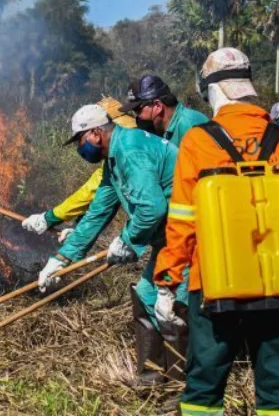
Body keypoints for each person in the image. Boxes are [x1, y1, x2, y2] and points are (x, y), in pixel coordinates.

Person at [154, 47, 279, 416]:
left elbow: (183, 221)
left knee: (203, 387)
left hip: (218, 285)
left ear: (212, 91)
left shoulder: (198, 141)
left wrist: (167, 282)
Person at [37, 103, 181, 386]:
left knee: (174, 306)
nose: (80, 149)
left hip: (189, 237)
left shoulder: (130, 150)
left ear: (94, 134)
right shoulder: (113, 159)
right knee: (147, 296)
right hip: (169, 237)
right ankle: (153, 379)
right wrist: (61, 260)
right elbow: (97, 212)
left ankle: (184, 386)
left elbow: (152, 208)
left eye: (80, 141)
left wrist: (126, 241)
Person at [22, 77, 207, 236]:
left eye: (138, 110)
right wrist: (77, 226)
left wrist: (127, 240)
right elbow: (101, 190)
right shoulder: (142, 141)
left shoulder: (188, 126)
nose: (137, 117)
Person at [20, 98, 136, 238]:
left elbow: (94, 190)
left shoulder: (130, 153)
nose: (80, 146)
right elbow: (100, 199)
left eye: (80, 139)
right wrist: (79, 227)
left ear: (97, 131)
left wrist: (50, 217)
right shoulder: (117, 155)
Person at [119, 74, 210, 145]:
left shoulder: (190, 126)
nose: (137, 117)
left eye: (138, 110)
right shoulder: (162, 130)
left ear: (158, 106)